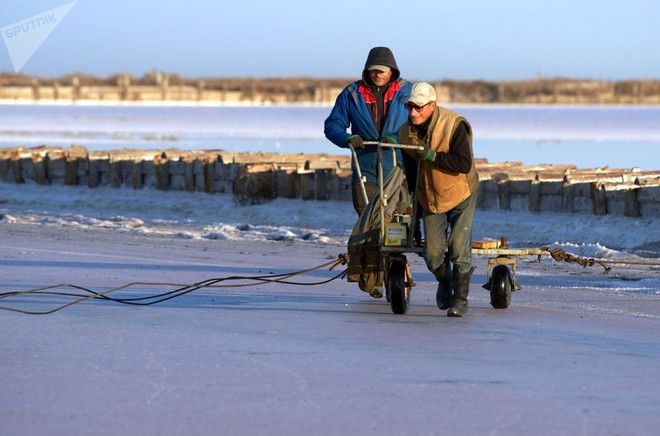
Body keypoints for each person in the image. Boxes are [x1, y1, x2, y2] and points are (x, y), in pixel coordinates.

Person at [398, 82, 479, 317]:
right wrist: (412, 201)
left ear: (432, 106)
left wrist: (433, 156)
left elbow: (463, 164)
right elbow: (412, 171)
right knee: (433, 253)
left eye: (419, 108)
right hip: (431, 196)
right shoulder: (405, 133)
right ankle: (445, 281)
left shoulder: (454, 125)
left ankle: (460, 300)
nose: (413, 113)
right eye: (410, 107)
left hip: (461, 192)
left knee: (457, 246)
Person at [324, 47, 412, 215]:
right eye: (373, 71)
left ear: (392, 70)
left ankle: (403, 239)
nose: (378, 75)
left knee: (401, 213)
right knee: (367, 212)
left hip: (399, 163)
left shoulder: (407, 91)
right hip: (365, 163)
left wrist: (396, 138)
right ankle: (371, 241)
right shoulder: (352, 93)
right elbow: (333, 124)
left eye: (382, 71)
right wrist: (346, 138)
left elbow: (418, 123)